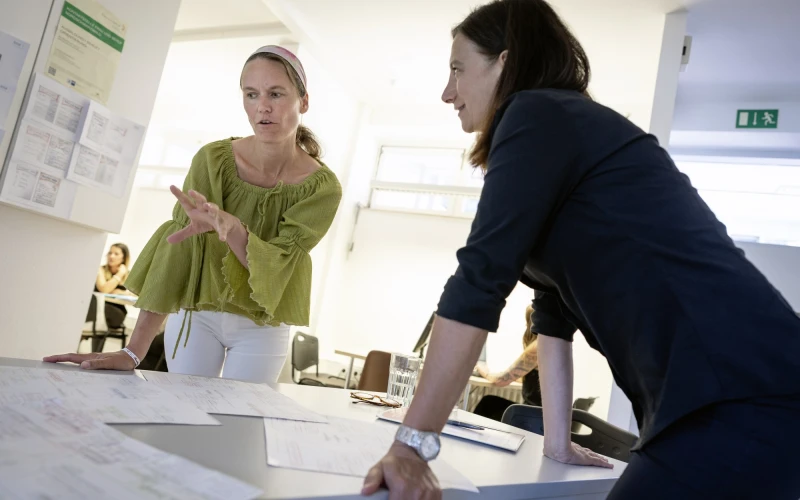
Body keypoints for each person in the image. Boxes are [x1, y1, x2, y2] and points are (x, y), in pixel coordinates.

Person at [361, 1, 800, 499]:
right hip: (736, 391)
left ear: (505, 62)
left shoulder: (536, 114)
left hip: (740, 390)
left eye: (458, 69)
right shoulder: (557, 129)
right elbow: (551, 313)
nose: (448, 92)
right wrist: (557, 440)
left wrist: (412, 446)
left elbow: (479, 281)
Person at [45, 45, 342, 384]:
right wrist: (134, 351)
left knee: (239, 413)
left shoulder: (323, 189)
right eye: (251, 94)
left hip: (263, 325)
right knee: (183, 407)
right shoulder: (211, 161)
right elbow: (178, 247)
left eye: (276, 93)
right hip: (196, 316)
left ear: (304, 101)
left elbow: (279, 268)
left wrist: (232, 228)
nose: (262, 106)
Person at [473, 305, 541, 421]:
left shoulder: (537, 347)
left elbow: (500, 381)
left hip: (533, 416)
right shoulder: (549, 347)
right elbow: (534, 381)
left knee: (487, 403)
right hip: (539, 414)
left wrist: (481, 369)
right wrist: (512, 375)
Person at [89, 243, 132, 352]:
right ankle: (95, 353)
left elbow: (137, 294)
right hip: (98, 310)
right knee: (98, 311)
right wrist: (119, 275)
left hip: (116, 312)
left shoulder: (128, 274)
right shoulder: (101, 270)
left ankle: (95, 353)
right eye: (110, 253)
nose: (111, 256)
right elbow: (104, 289)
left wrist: (120, 293)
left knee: (101, 311)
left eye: (116, 254)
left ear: (123, 258)